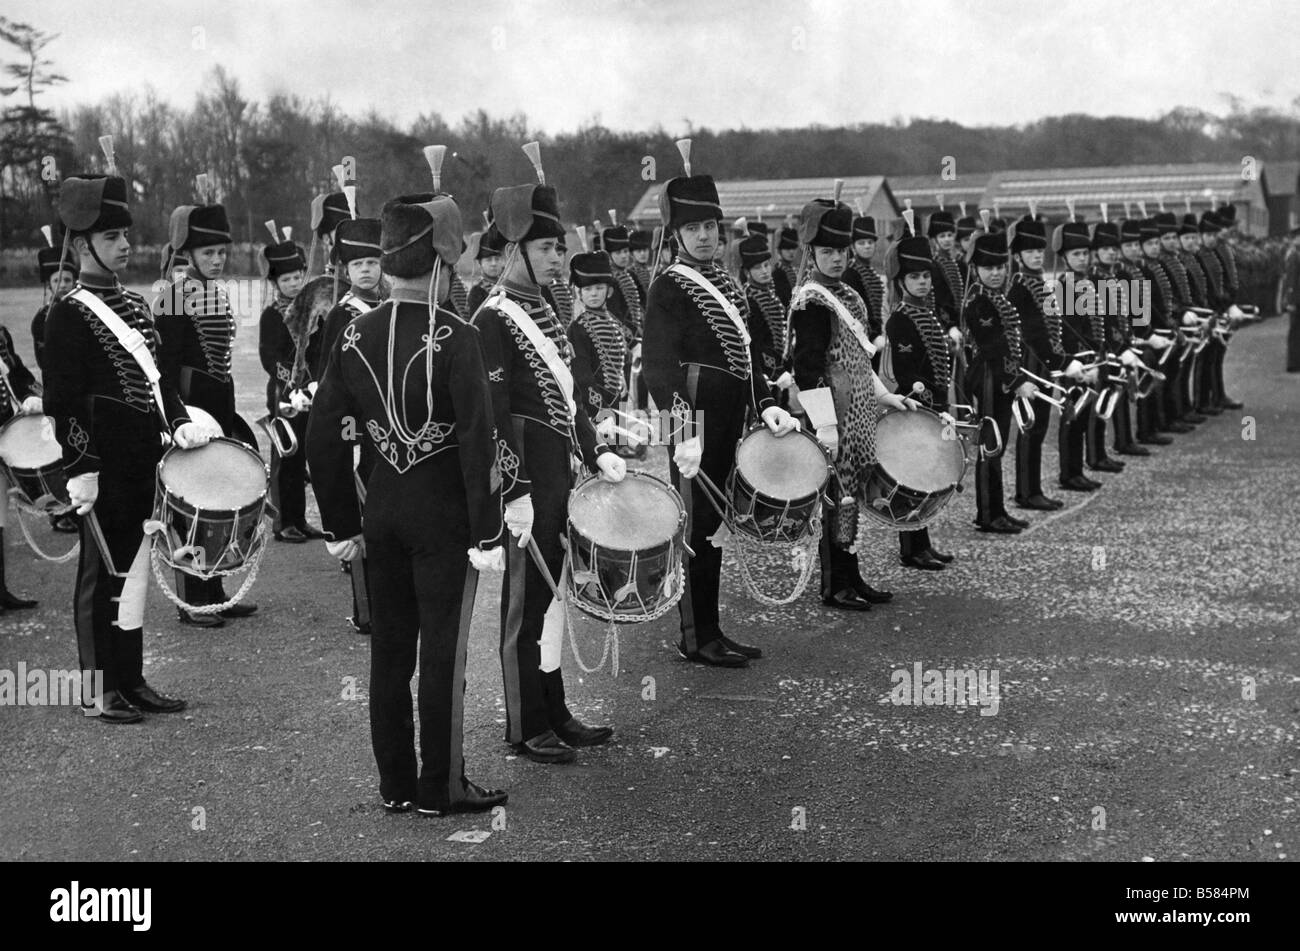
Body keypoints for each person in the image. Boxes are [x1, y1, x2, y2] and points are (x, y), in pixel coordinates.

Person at [307, 190, 507, 817]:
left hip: (381, 515)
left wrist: (340, 522)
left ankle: (395, 783)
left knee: (389, 653)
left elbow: (323, 437)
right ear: (443, 266)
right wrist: (489, 529)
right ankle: (440, 785)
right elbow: (479, 440)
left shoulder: (352, 333)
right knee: (442, 654)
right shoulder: (459, 335)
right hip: (444, 520)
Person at [473, 165, 627, 763]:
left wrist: (598, 449)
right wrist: (513, 491)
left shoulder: (542, 309)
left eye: (560, 246)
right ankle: (523, 719)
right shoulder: (492, 319)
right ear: (514, 250)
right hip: (526, 487)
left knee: (554, 597)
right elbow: (491, 419)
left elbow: (567, 400)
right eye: (546, 247)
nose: (559, 258)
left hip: (560, 478)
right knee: (524, 602)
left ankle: (554, 707)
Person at [44, 172, 211, 722]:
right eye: (112, 237)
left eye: (124, 235)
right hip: (102, 465)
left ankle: (132, 679)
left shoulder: (137, 307)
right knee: (100, 576)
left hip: (144, 460)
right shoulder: (69, 313)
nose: (124, 245)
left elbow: (160, 380)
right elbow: (63, 402)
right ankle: (99, 689)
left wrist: (181, 421)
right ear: (83, 243)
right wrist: (81, 468)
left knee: (135, 572)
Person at [642, 145, 798, 664]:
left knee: (715, 529)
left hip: (730, 421)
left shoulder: (729, 285)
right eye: (693, 229)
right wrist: (677, 431)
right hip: (693, 426)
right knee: (695, 530)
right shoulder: (668, 287)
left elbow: (745, 357)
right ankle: (694, 635)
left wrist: (768, 402)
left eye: (711, 225)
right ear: (676, 236)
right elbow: (657, 369)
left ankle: (712, 628)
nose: (705, 235)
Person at [789, 196, 916, 606]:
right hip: (833, 415)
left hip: (860, 410)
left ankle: (852, 576)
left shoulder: (850, 294)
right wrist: (824, 423)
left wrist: (886, 396)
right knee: (834, 499)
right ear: (812, 253)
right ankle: (834, 584)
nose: (838, 258)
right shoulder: (811, 301)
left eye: (841, 250)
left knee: (853, 496)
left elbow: (861, 360)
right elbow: (806, 368)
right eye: (827, 251)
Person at [154, 199, 260, 627]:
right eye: (207, 253)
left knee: (218, 502)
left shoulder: (213, 291)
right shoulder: (172, 299)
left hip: (219, 403)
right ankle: (192, 601)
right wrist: (179, 417)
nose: (217, 260)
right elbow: (163, 371)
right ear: (189, 255)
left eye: (221, 253)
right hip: (189, 408)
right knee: (189, 505)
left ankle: (215, 592)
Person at [884, 226, 955, 570]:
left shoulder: (926, 314)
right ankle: (911, 547)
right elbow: (905, 372)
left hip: (933, 405)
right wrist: (928, 400)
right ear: (901, 282)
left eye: (926, 276)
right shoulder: (900, 319)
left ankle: (923, 541)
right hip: (914, 406)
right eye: (915, 277)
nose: (923, 282)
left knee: (927, 476)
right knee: (910, 478)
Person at [963, 229, 1037, 532]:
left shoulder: (995, 297)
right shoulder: (979, 302)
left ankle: (998, 510)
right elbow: (993, 347)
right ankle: (987, 515)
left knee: (998, 446)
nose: (995, 273)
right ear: (975, 270)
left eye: (999, 267)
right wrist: (1017, 380)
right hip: (989, 378)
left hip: (1000, 376)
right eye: (988, 268)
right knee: (990, 447)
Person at [1006, 215, 1082, 508]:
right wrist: (1059, 360)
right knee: (1031, 427)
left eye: (1039, 251)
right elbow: (1033, 333)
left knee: (1037, 429)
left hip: (1043, 364)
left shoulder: (1037, 283)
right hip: (1030, 365)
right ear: (1018, 256)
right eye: (1030, 252)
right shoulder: (1020, 287)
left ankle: (1032, 489)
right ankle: (1027, 492)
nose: (1037, 256)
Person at [257, 235, 320, 549]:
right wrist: (292, 379)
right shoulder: (272, 314)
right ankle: (283, 522)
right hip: (283, 395)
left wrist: (314, 380)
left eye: (297, 277)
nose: (294, 283)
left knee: (302, 458)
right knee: (285, 457)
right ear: (276, 282)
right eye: (286, 279)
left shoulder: (311, 312)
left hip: (309, 394)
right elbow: (269, 356)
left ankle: (300, 519)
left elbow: (318, 350)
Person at [30, 231, 81, 534]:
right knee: (61, 452)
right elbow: (46, 362)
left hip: (83, 391)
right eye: (57, 281)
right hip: (58, 392)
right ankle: (61, 510)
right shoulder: (42, 319)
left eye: (68, 279)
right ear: (48, 286)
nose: (63, 285)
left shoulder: (83, 311)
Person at [566, 246, 627, 437]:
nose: (593, 294)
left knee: (617, 452)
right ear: (579, 293)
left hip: (615, 400)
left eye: (599, 288)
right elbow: (582, 376)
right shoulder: (577, 328)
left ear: (608, 291)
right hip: (593, 405)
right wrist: (600, 412)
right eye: (587, 289)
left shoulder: (614, 322)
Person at [842, 215, 887, 371]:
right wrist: (873, 336)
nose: (867, 246)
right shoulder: (850, 273)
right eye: (861, 243)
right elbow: (855, 311)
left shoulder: (871, 271)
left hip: (874, 337)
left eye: (870, 242)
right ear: (853, 247)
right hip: (859, 339)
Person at [467, 224, 506, 316]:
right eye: (488, 260)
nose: (493, 263)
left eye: (497, 259)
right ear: (480, 263)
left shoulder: (509, 286)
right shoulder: (477, 292)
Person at [1284, 227, 1300, 373]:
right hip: (1296, 299)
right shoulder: (1294, 255)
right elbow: (1291, 280)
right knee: (1294, 331)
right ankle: (1292, 363)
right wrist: (1290, 301)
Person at [772, 225, 800, 308]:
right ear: (780, 250)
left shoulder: (795, 270)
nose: (791, 252)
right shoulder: (778, 273)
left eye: (793, 248)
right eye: (787, 248)